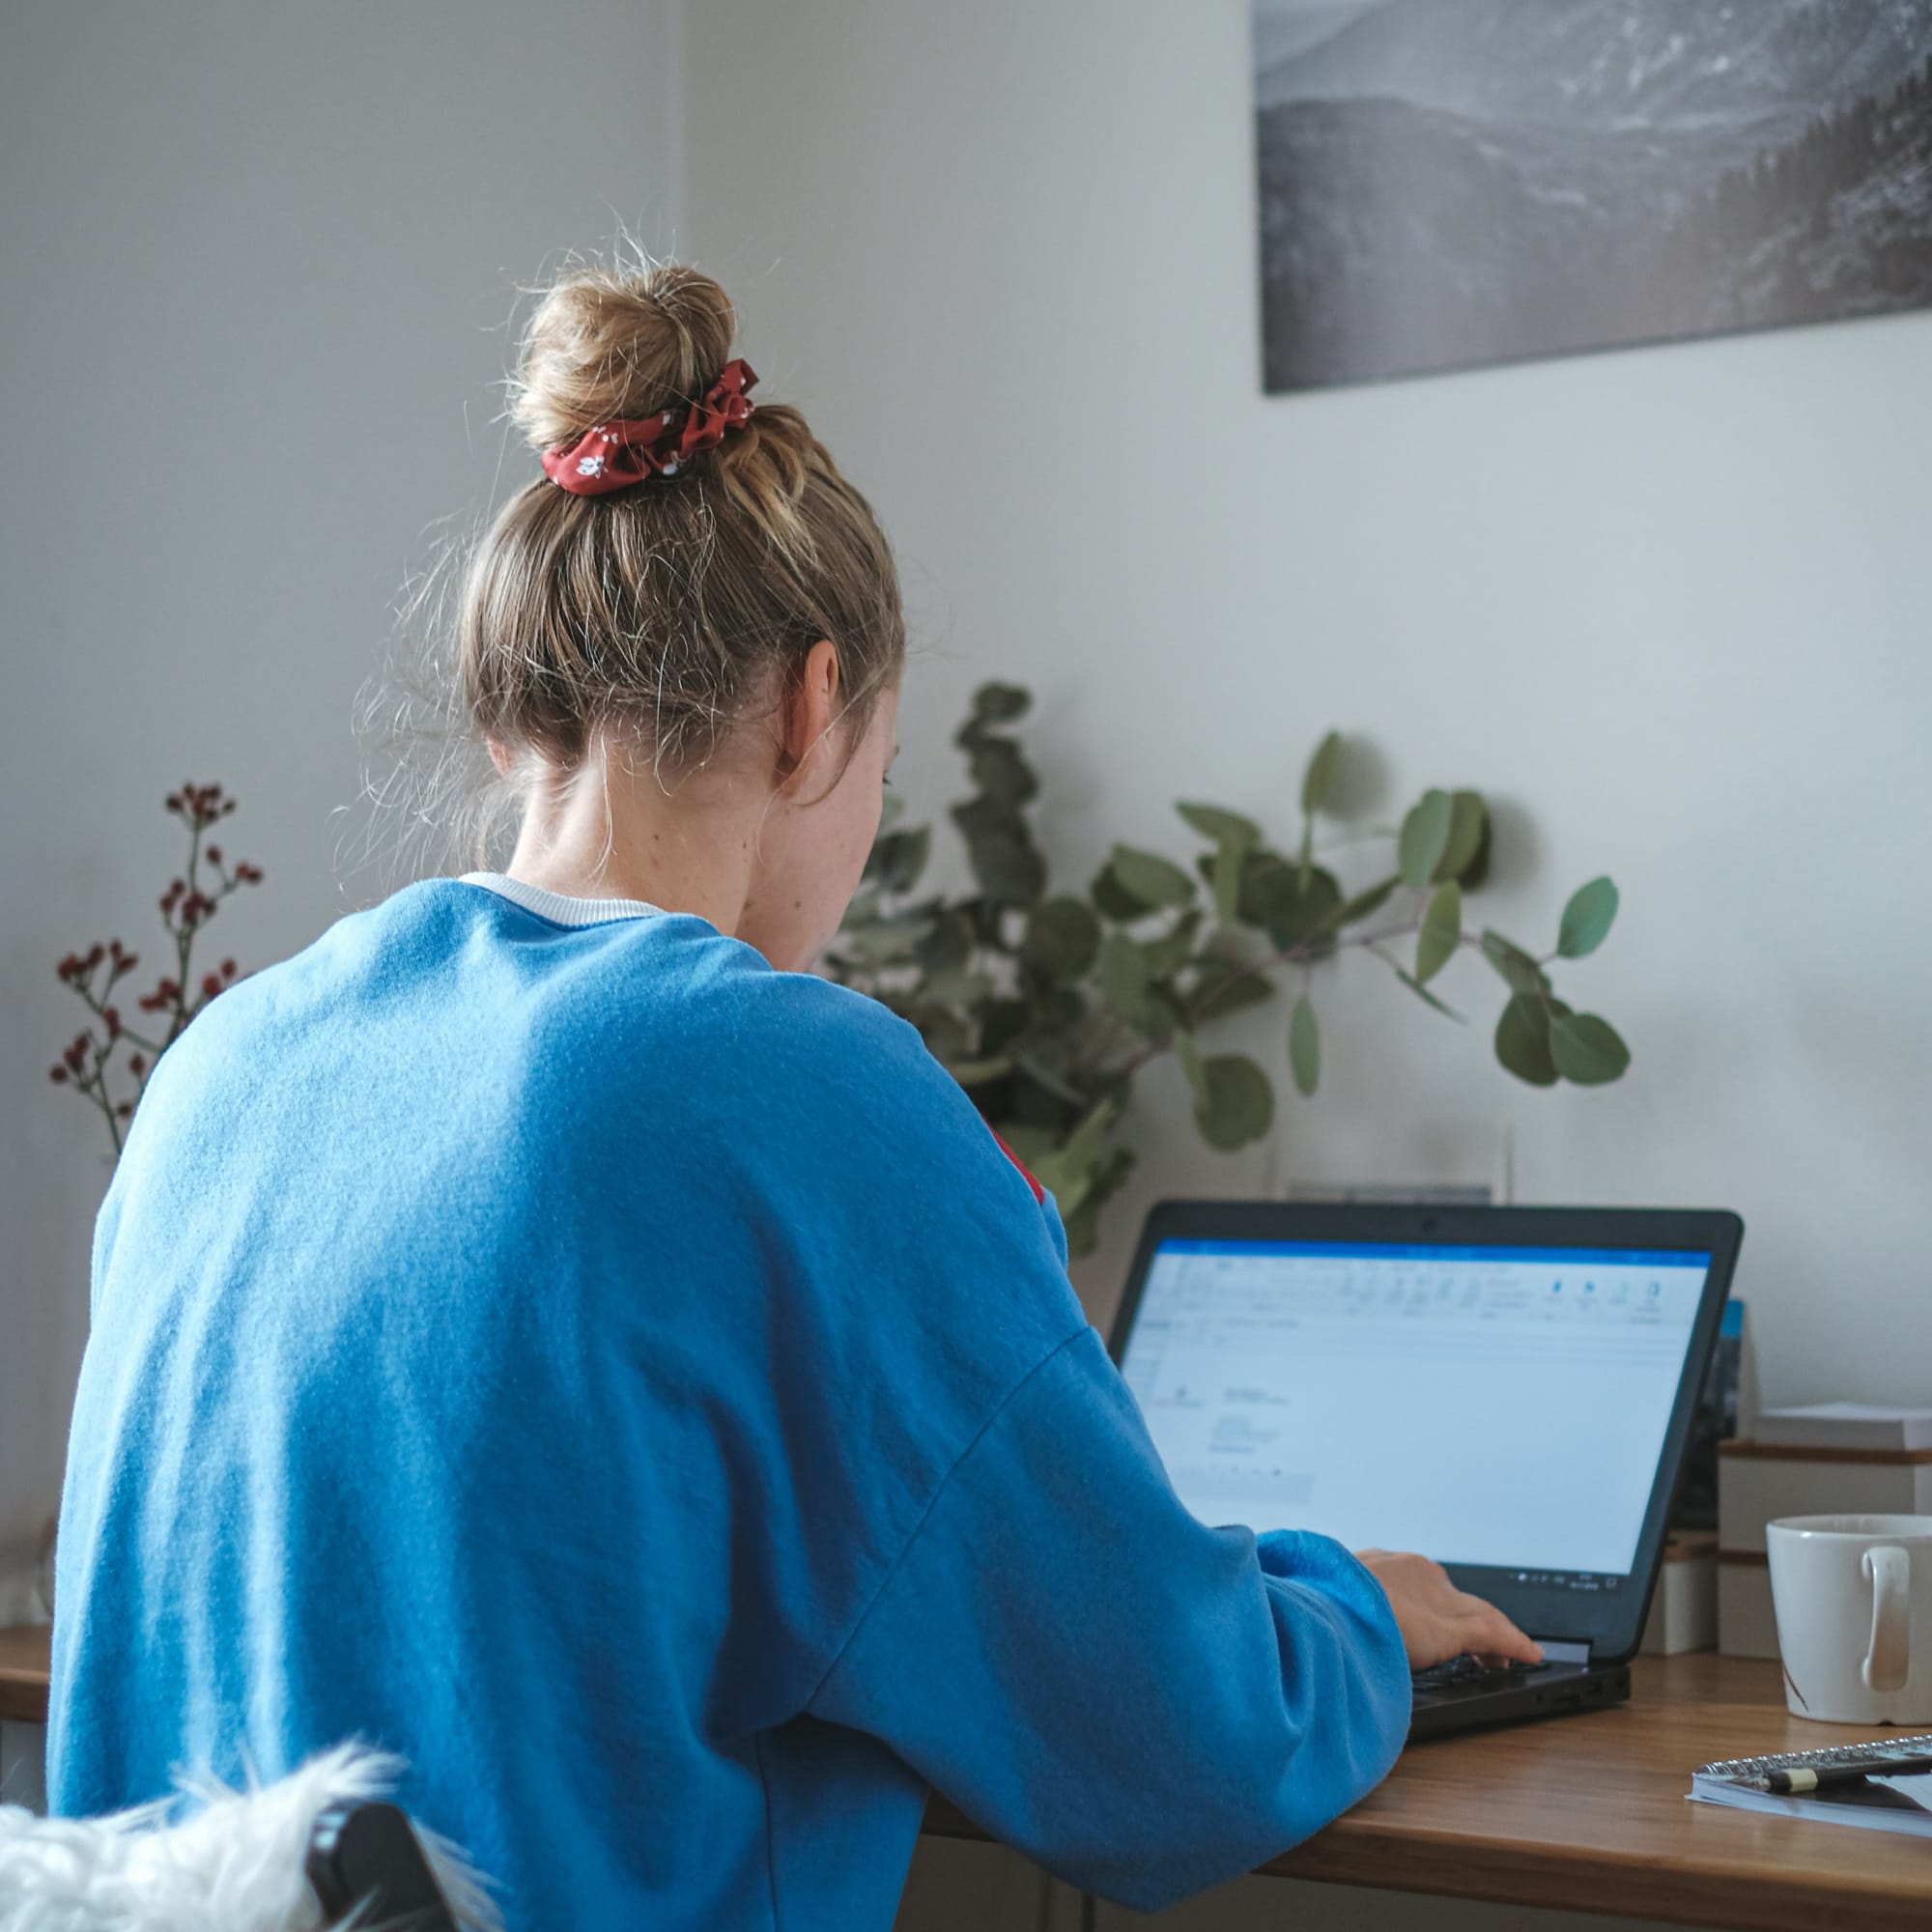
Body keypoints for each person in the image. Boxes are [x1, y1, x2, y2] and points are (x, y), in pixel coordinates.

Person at [47, 261, 1539, 1928]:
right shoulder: (790, 1089)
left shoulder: (222, 1069)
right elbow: (1177, 1750)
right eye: (884, 777)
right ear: (816, 709)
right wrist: (1349, 1607)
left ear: (509, 719)